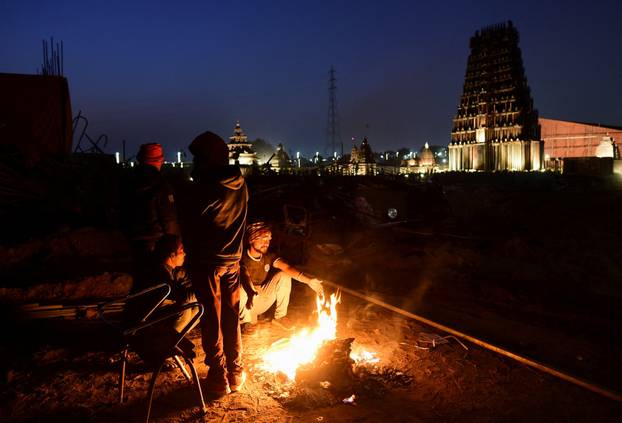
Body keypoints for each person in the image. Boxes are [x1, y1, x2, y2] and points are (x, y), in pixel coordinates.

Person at [181, 131, 248, 396]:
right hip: (233, 259)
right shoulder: (241, 183)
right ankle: (237, 371)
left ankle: (218, 374)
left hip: (207, 261)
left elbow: (191, 225)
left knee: (211, 316)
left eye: (197, 158)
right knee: (232, 316)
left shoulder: (204, 188)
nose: (194, 163)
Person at [239, 222, 323, 331]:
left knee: (284, 275)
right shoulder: (241, 257)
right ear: (251, 239)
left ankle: (280, 317)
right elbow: (244, 275)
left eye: (268, 239)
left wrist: (308, 281)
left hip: (260, 298)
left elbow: (287, 268)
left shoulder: (268, 257)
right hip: (244, 301)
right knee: (240, 287)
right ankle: (246, 322)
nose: (266, 243)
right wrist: (250, 291)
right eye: (262, 239)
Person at [120, 142, 180, 292]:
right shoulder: (161, 185)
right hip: (157, 244)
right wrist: (175, 243)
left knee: (140, 283)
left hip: (133, 241)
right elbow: (169, 219)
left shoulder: (128, 183)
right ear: (159, 160)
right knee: (156, 287)